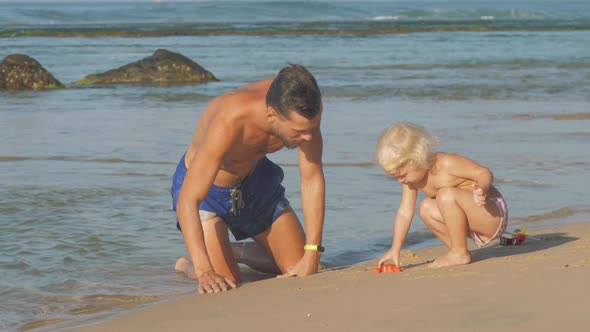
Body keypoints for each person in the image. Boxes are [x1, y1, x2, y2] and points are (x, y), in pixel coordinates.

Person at [171, 64, 325, 294]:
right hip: (208, 192)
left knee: (300, 266)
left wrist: (312, 252)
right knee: (225, 283)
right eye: (298, 131)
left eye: (311, 127)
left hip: (255, 181)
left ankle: (231, 250)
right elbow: (188, 199)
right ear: (272, 115)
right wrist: (204, 271)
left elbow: (312, 179)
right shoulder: (230, 120)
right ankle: (189, 265)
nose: (308, 137)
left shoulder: (301, 106)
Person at [375, 122, 508, 268]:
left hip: (492, 214)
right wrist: (395, 249)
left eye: (403, 174)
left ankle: (459, 253)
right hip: (472, 225)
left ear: (417, 158)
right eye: (396, 177)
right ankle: (458, 250)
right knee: (425, 207)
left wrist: (482, 188)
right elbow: (404, 213)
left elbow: (483, 172)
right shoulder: (411, 180)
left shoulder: (446, 163)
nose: (401, 180)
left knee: (445, 195)